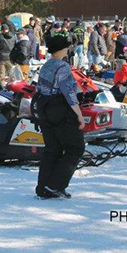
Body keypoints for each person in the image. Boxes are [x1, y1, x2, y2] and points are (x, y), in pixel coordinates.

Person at [32, 35, 85, 199]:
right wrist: (79, 114)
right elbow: (68, 91)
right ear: (63, 48)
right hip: (59, 110)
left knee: (52, 150)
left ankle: (43, 187)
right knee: (75, 148)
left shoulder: (46, 65)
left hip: (44, 109)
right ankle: (55, 185)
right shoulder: (63, 66)